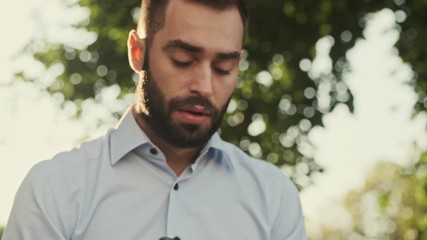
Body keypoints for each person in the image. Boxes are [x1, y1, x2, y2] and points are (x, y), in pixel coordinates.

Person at [2, 0, 307, 239]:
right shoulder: (54, 190)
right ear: (138, 52)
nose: (204, 86)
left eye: (224, 67)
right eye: (183, 61)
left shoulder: (274, 197)